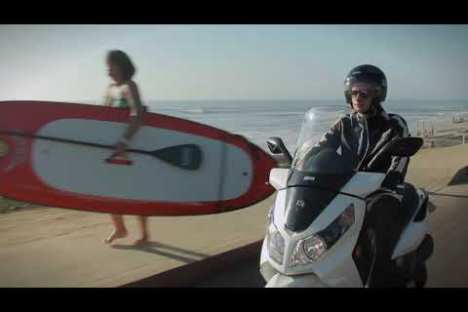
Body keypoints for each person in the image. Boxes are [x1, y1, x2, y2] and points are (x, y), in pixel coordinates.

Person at [313, 64, 413, 287]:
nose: (358, 96)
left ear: (378, 95)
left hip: (382, 191)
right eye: (355, 91)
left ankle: (378, 279)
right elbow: (320, 148)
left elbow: (399, 162)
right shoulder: (344, 123)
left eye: (365, 92)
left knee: (377, 221)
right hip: (346, 189)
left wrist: (389, 180)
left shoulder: (394, 125)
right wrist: (300, 165)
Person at [103, 50, 149, 246]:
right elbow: (101, 118)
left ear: (121, 66)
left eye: (111, 65)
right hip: (113, 148)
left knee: (135, 191)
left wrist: (125, 141)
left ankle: (145, 234)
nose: (108, 70)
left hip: (128, 147)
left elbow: (137, 115)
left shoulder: (130, 86)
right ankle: (120, 228)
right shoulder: (110, 89)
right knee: (108, 190)